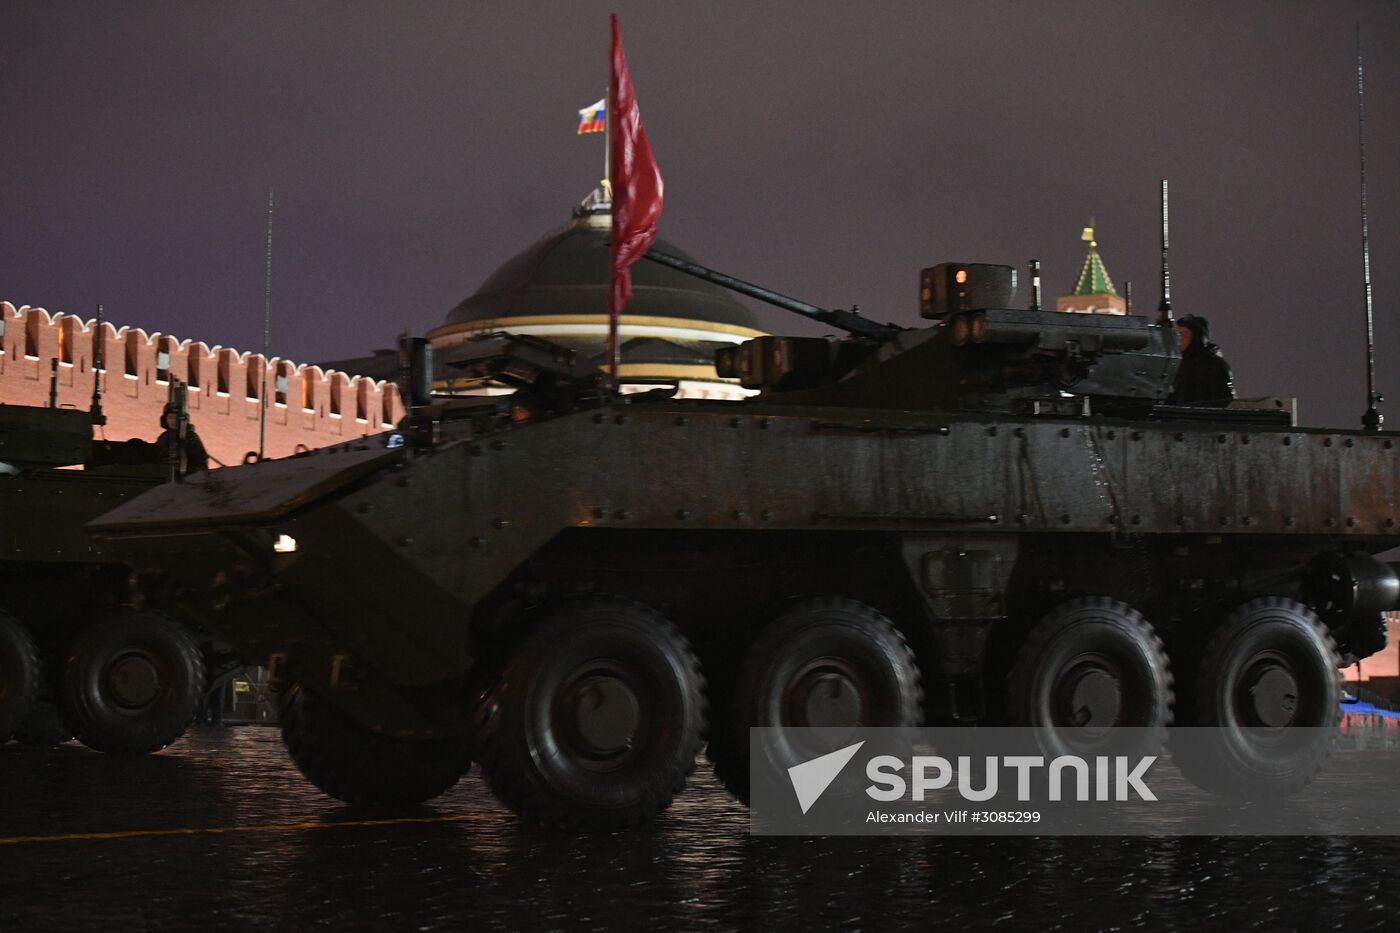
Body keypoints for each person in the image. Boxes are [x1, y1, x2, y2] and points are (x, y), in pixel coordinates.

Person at [1169, 314, 1234, 406]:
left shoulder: (1215, 365)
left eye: (1184, 334)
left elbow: (1225, 401)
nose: (1179, 339)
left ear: (1197, 337)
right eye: (1178, 334)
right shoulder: (1178, 365)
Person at [154, 402, 210, 475]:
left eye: (175, 417)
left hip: (187, 479)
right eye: (170, 417)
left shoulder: (190, 437)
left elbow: (201, 461)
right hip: (165, 477)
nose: (172, 420)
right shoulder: (163, 438)